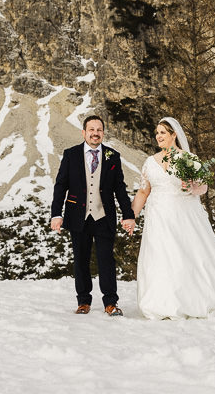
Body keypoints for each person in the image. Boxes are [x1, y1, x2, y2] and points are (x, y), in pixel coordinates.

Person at [130, 117, 215, 319]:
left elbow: (202, 188)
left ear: (174, 135)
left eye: (163, 133)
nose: (158, 136)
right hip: (157, 216)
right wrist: (131, 216)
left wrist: (190, 185)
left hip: (183, 214)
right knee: (160, 256)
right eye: (157, 133)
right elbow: (143, 192)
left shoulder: (189, 159)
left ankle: (195, 298)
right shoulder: (150, 162)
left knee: (186, 254)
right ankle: (159, 302)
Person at [51, 115, 136, 316]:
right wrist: (56, 214)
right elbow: (60, 186)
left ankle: (110, 303)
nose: (95, 133)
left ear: (103, 133)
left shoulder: (112, 156)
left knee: (106, 259)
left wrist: (128, 215)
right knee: (80, 259)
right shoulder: (70, 155)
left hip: (104, 216)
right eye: (91, 129)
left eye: (99, 130)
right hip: (77, 215)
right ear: (84, 132)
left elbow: (120, 189)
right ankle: (83, 302)